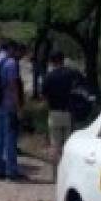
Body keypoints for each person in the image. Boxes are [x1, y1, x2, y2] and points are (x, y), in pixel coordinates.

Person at [41, 50, 84, 182]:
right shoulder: (71, 73)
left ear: (52, 61)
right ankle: (69, 175)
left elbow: (43, 95)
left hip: (54, 113)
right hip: (68, 113)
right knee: (69, 146)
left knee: (55, 145)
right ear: (62, 59)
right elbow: (82, 84)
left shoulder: (49, 76)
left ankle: (56, 176)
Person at [0, 41, 27, 181]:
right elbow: (13, 87)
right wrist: (19, 107)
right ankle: (11, 172)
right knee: (10, 139)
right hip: (9, 105)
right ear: (12, 49)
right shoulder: (10, 63)